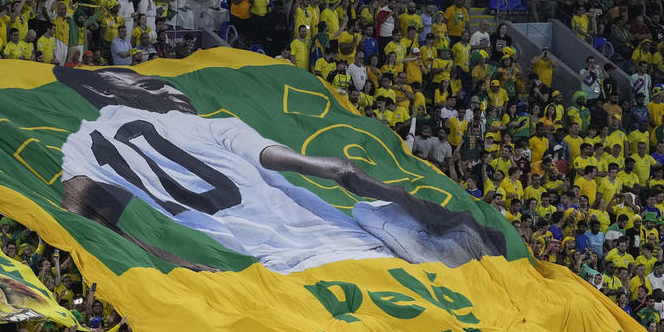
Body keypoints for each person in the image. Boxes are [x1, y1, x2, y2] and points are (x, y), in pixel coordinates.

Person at [55, 66, 506, 272]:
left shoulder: (79, 147)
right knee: (378, 213)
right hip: (343, 245)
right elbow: (328, 168)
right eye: (150, 83)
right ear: (116, 89)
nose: (168, 88)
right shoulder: (203, 125)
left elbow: (85, 212)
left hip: (263, 264)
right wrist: (416, 204)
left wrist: (179, 261)